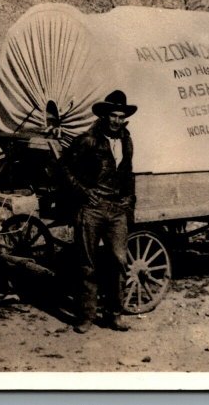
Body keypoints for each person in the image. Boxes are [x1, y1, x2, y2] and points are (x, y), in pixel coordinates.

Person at [61, 90, 137, 333]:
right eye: (113, 116)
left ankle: (114, 314)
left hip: (116, 210)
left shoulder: (126, 140)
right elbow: (64, 168)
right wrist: (84, 193)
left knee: (118, 261)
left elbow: (128, 172)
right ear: (104, 116)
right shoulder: (87, 139)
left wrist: (129, 201)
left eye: (121, 116)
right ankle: (86, 316)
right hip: (91, 209)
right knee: (87, 263)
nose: (116, 120)